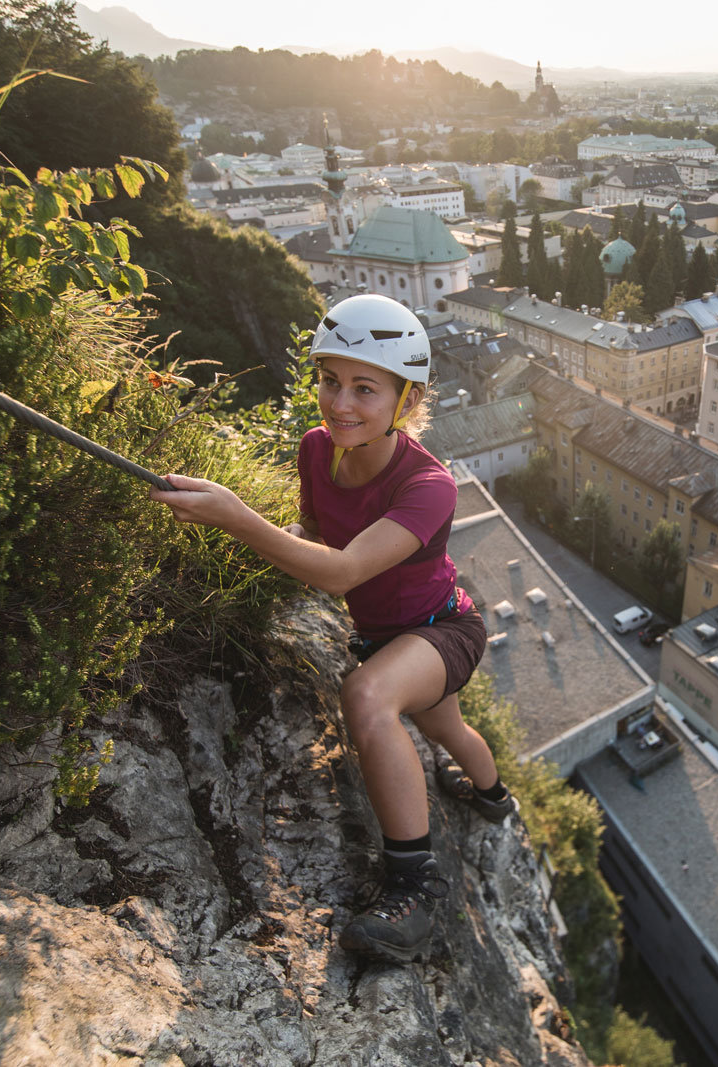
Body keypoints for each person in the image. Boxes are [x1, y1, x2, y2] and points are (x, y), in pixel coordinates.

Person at [149, 294, 512, 962]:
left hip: (443, 630)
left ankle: (416, 890)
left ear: (406, 399)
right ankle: (493, 795)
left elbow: (343, 571)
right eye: (330, 380)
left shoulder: (430, 485)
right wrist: (258, 539)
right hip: (388, 635)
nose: (340, 402)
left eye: (365, 389)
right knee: (445, 730)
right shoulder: (317, 450)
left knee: (369, 696)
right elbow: (317, 534)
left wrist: (239, 518)